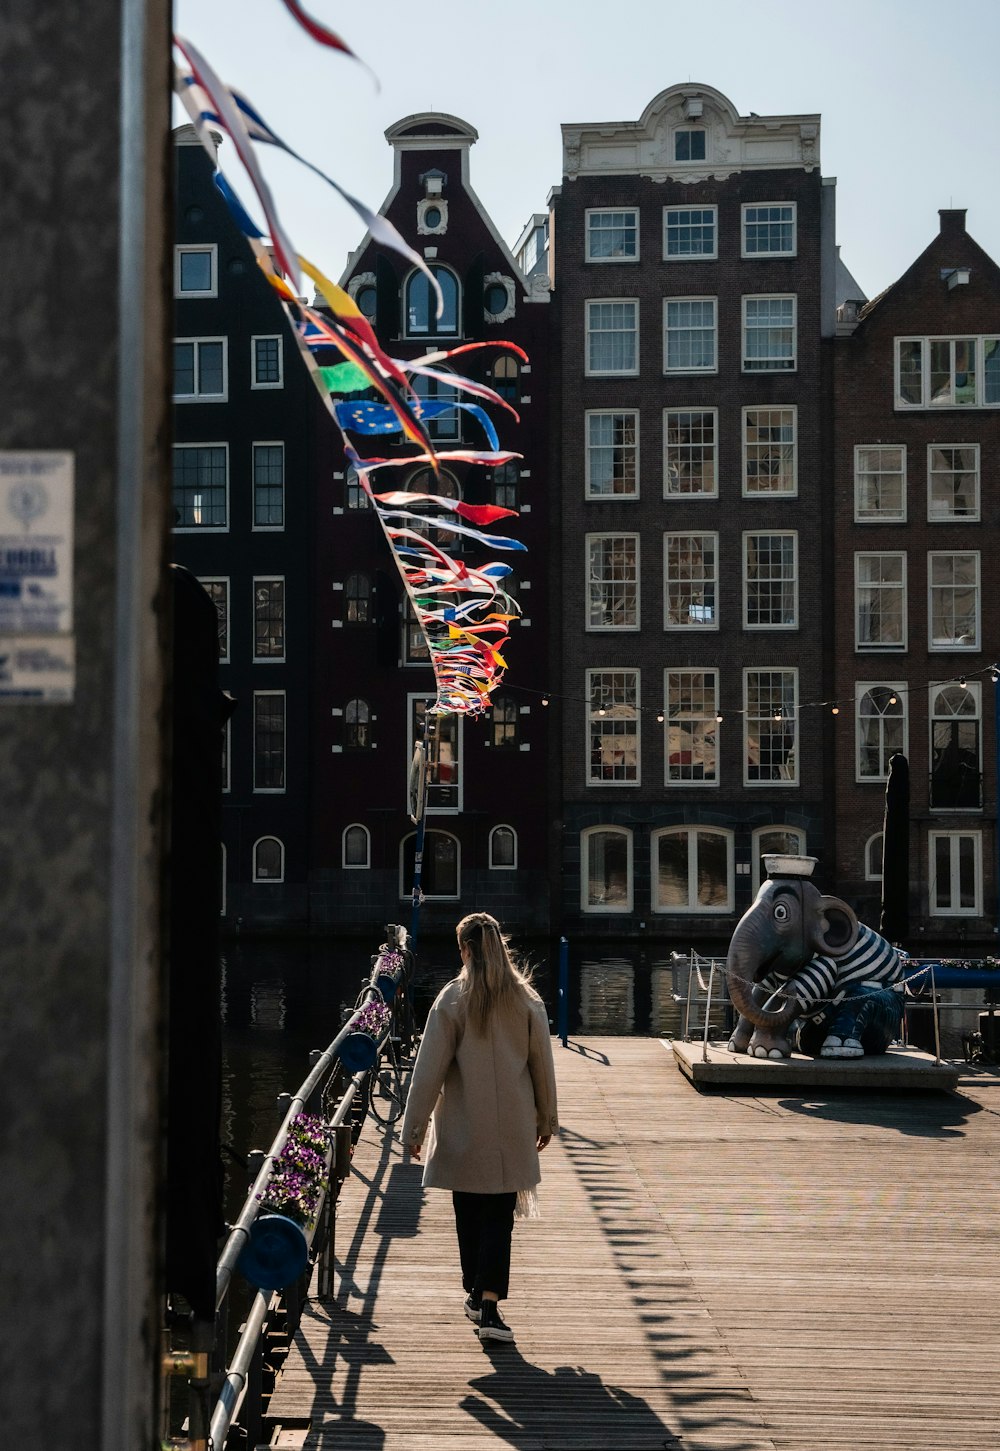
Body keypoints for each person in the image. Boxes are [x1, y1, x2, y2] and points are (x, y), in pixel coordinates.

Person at [400, 912, 559, 1344]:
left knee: (468, 1215)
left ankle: (477, 1293)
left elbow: (427, 1071)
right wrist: (547, 1119)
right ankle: (487, 1304)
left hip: (463, 1128)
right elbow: (541, 1065)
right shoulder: (527, 999)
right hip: (511, 1127)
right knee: (499, 1218)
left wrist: (413, 1131)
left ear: (465, 949)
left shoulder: (451, 1000)